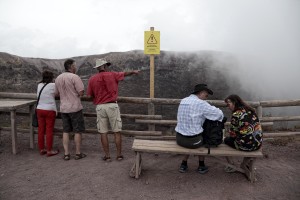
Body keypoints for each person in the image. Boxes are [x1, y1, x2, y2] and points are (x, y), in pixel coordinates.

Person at [87, 58, 140, 161]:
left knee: (103, 132)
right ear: (105, 66)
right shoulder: (112, 75)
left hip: (100, 107)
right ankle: (119, 155)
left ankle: (107, 156)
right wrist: (133, 72)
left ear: (98, 68)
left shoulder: (92, 79)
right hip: (112, 105)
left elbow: (89, 96)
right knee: (117, 131)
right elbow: (124, 73)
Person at [175, 84, 224, 174]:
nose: (207, 97)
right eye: (206, 94)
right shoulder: (201, 103)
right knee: (203, 136)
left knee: (192, 132)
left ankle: (184, 164)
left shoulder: (183, 100)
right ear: (201, 92)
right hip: (193, 142)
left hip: (179, 139)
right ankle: (201, 166)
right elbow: (219, 114)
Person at [55, 59, 86, 161]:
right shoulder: (75, 77)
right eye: (75, 66)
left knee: (66, 131)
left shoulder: (58, 78)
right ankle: (77, 153)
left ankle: (67, 154)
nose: (76, 67)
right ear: (71, 67)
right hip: (75, 107)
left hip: (64, 108)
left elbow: (56, 93)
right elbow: (81, 92)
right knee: (77, 131)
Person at [36, 70, 59, 157]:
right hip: (49, 110)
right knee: (49, 130)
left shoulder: (39, 85)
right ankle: (49, 150)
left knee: (41, 130)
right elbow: (57, 94)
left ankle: (42, 149)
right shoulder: (53, 85)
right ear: (51, 77)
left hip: (39, 109)